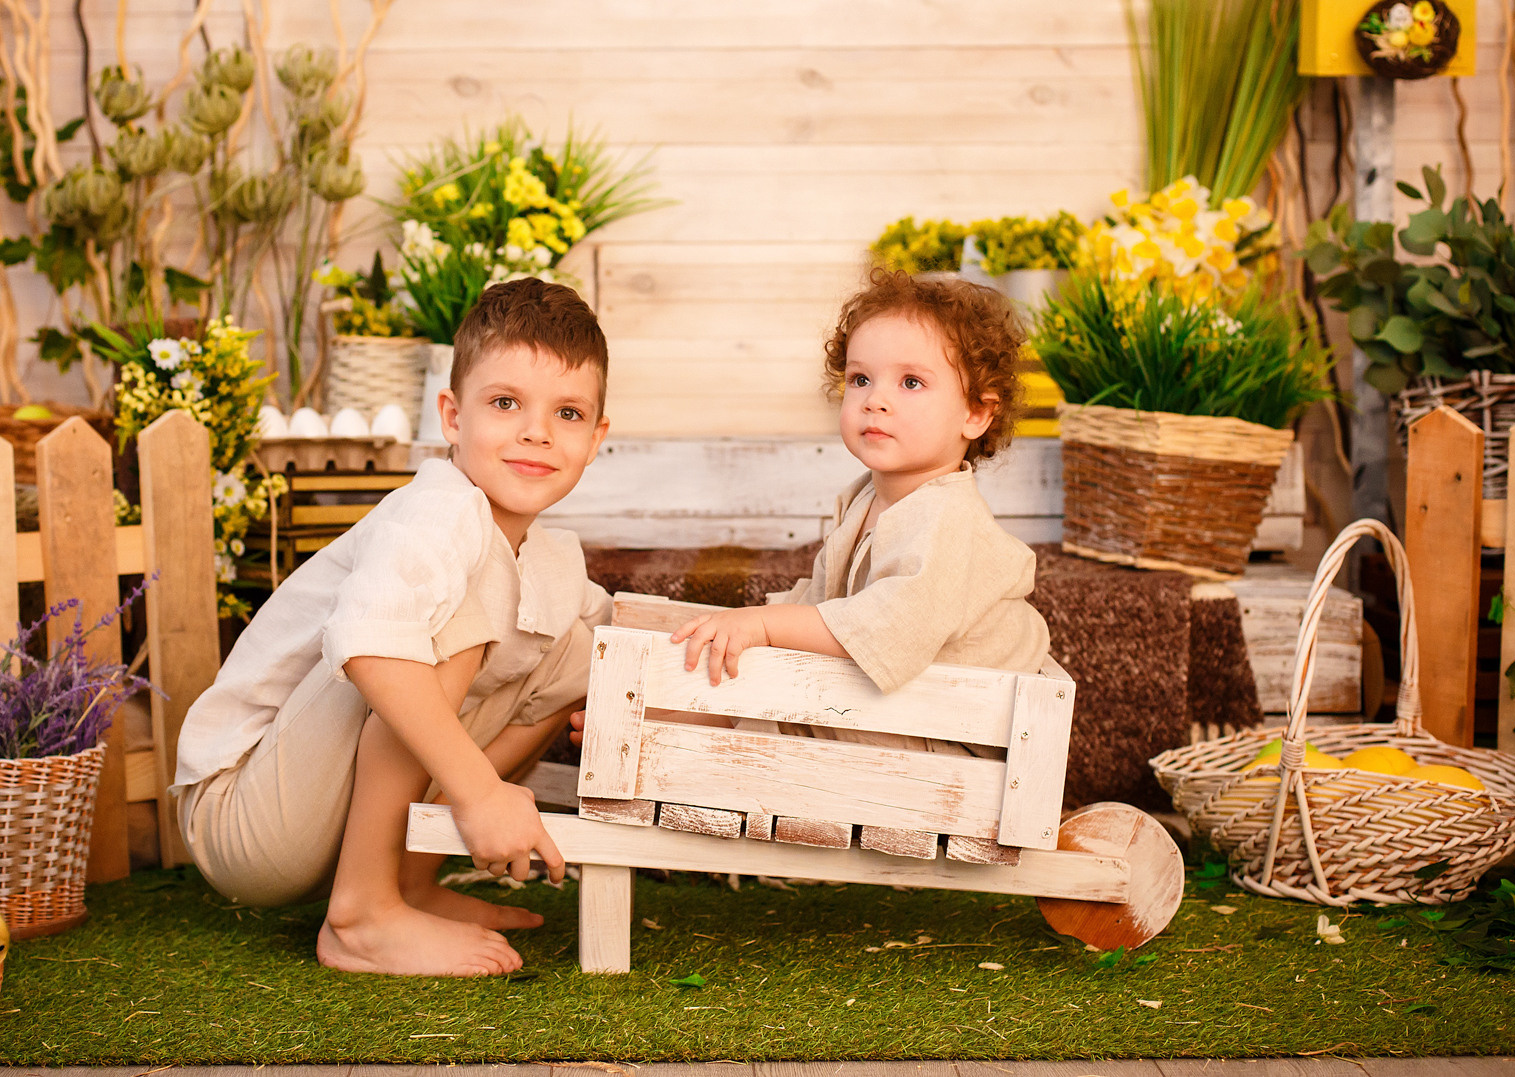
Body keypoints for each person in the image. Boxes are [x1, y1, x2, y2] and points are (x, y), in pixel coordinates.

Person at [171, 278, 613, 977]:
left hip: (315, 814)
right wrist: (482, 792)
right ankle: (362, 913)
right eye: (505, 403)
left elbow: (604, 639)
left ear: (596, 438)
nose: (536, 431)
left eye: (567, 412)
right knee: (444, 615)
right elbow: (372, 649)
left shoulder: (543, 551)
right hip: (242, 813)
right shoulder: (438, 510)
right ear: (452, 415)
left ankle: (406, 881)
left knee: (580, 647)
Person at [659, 268, 1050, 742]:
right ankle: (666, 721)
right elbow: (826, 603)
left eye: (910, 383)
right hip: (896, 706)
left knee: (776, 716)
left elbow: (885, 628)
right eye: (861, 378)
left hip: (949, 734)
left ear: (975, 413)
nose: (875, 400)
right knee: (760, 682)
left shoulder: (948, 522)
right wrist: (747, 632)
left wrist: (762, 623)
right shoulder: (867, 496)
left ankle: (674, 742)